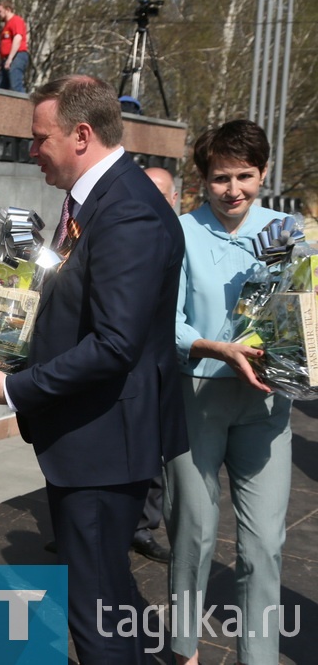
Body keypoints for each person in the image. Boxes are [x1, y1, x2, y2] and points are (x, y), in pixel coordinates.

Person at [0, 75, 187, 662]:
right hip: (89, 436)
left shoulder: (128, 211)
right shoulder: (98, 201)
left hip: (105, 443)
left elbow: (113, 344)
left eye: (40, 138)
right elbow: (73, 304)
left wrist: (12, 387)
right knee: (105, 597)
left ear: (81, 135)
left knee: (96, 614)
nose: (31, 150)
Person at [166, 120, 292, 665]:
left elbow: (300, 311)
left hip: (266, 401)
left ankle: (258, 657)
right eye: (221, 178)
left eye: (245, 175)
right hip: (199, 394)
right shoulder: (179, 232)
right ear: (203, 180)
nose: (234, 189)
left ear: (262, 173)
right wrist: (216, 349)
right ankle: (185, 648)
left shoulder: (287, 229)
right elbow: (164, 321)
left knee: (265, 541)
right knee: (194, 530)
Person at [129, 165, 181, 566]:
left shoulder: (177, 237)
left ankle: (142, 528)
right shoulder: (131, 232)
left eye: (162, 194)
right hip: (123, 361)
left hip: (161, 363)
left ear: (175, 198)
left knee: (151, 455)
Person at [0, 1, 29, 93]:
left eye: (0, 12)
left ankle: (22, 105)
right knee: (1, 88)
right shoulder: (6, 25)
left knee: (15, 85)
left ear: (7, 10)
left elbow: (18, 38)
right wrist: (2, 61)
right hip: (6, 59)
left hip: (17, 56)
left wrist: (10, 59)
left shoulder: (16, 20)